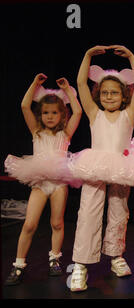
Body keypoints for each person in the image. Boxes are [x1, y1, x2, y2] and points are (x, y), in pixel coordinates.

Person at [69, 45, 134, 292]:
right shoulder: (94, 114)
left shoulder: (128, 114)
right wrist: (87, 55)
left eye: (114, 93)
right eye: (104, 93)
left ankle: (115, 255)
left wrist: (132, 57)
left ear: (124, 96)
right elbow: (81, 84)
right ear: (98, 95)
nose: (109, 97)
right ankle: (81, 264)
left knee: (118, 212)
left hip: (120, 167)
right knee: (88, 213)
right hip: (95, 165)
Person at [4, 74, 82, 285]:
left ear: (61, 115)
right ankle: (18, 264)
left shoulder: (65, 134)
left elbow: (78, 111)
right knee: (29, 224)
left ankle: (54, 259)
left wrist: (67, 90)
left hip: (58, 183)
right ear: (41, 115)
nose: (49, 116)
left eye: (54, 113)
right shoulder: (36, 131)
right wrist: (35, 84)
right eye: (46, 112)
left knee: (57, 222)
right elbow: (24, 106)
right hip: (39, 183)